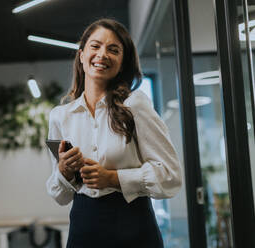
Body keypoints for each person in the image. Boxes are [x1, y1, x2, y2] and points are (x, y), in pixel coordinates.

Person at [46, 18, 182, 248]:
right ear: (81, 55)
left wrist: (113, 178)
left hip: (133, 226)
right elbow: (60, 196)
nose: (102, 54)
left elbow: (171, 176)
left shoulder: (135, 105)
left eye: (113, 49)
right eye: (95, 46)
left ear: (122, 62)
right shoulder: (60, 116)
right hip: (83, 229)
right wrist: (64, 171)